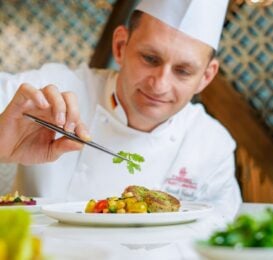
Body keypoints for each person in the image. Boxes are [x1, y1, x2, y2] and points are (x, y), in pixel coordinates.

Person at [0, 0, 241, 220]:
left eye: (183, 71)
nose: (160, 85)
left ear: (206, 76)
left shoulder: (213, 147)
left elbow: (220, 239)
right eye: (150, 58)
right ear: (120, 46)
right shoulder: (51, 92)